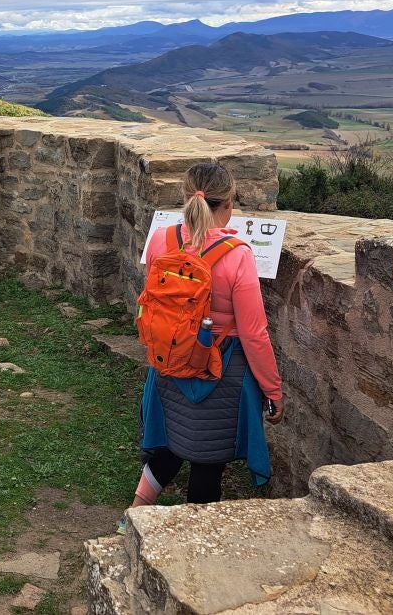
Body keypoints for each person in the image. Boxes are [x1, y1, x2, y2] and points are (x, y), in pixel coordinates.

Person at [120, 162, 283, 529]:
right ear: (228, 204)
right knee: (208, 460)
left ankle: (132, 519)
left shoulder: (162, 238)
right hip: (219, 370)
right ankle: (192, 540)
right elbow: (254, 332)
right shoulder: (238, 254)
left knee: (169, 446)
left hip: (169, 360)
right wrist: (273, 391)